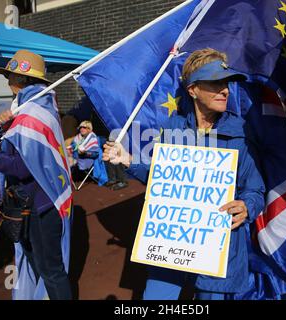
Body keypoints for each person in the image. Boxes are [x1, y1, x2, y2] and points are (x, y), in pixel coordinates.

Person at [103, 48, 265, 299]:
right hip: (171, 245)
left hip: (218, 247)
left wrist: (247, 206)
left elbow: (254, 188)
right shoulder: (173, 128)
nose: (225, 90)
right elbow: (162, 180)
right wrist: (127, 160)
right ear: (193, 90)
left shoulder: (240, 132)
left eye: (226, 83)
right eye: (215, 83)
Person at [0, 49, 72, 300]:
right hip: (39, 203)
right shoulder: (37, 107)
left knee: (50, 271)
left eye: (10, 76)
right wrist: (6, 130)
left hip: (40, 207)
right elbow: (23, 153)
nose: (8, 82)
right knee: (41, 266)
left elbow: (21, 167)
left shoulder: (31, 113)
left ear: (21, 80)